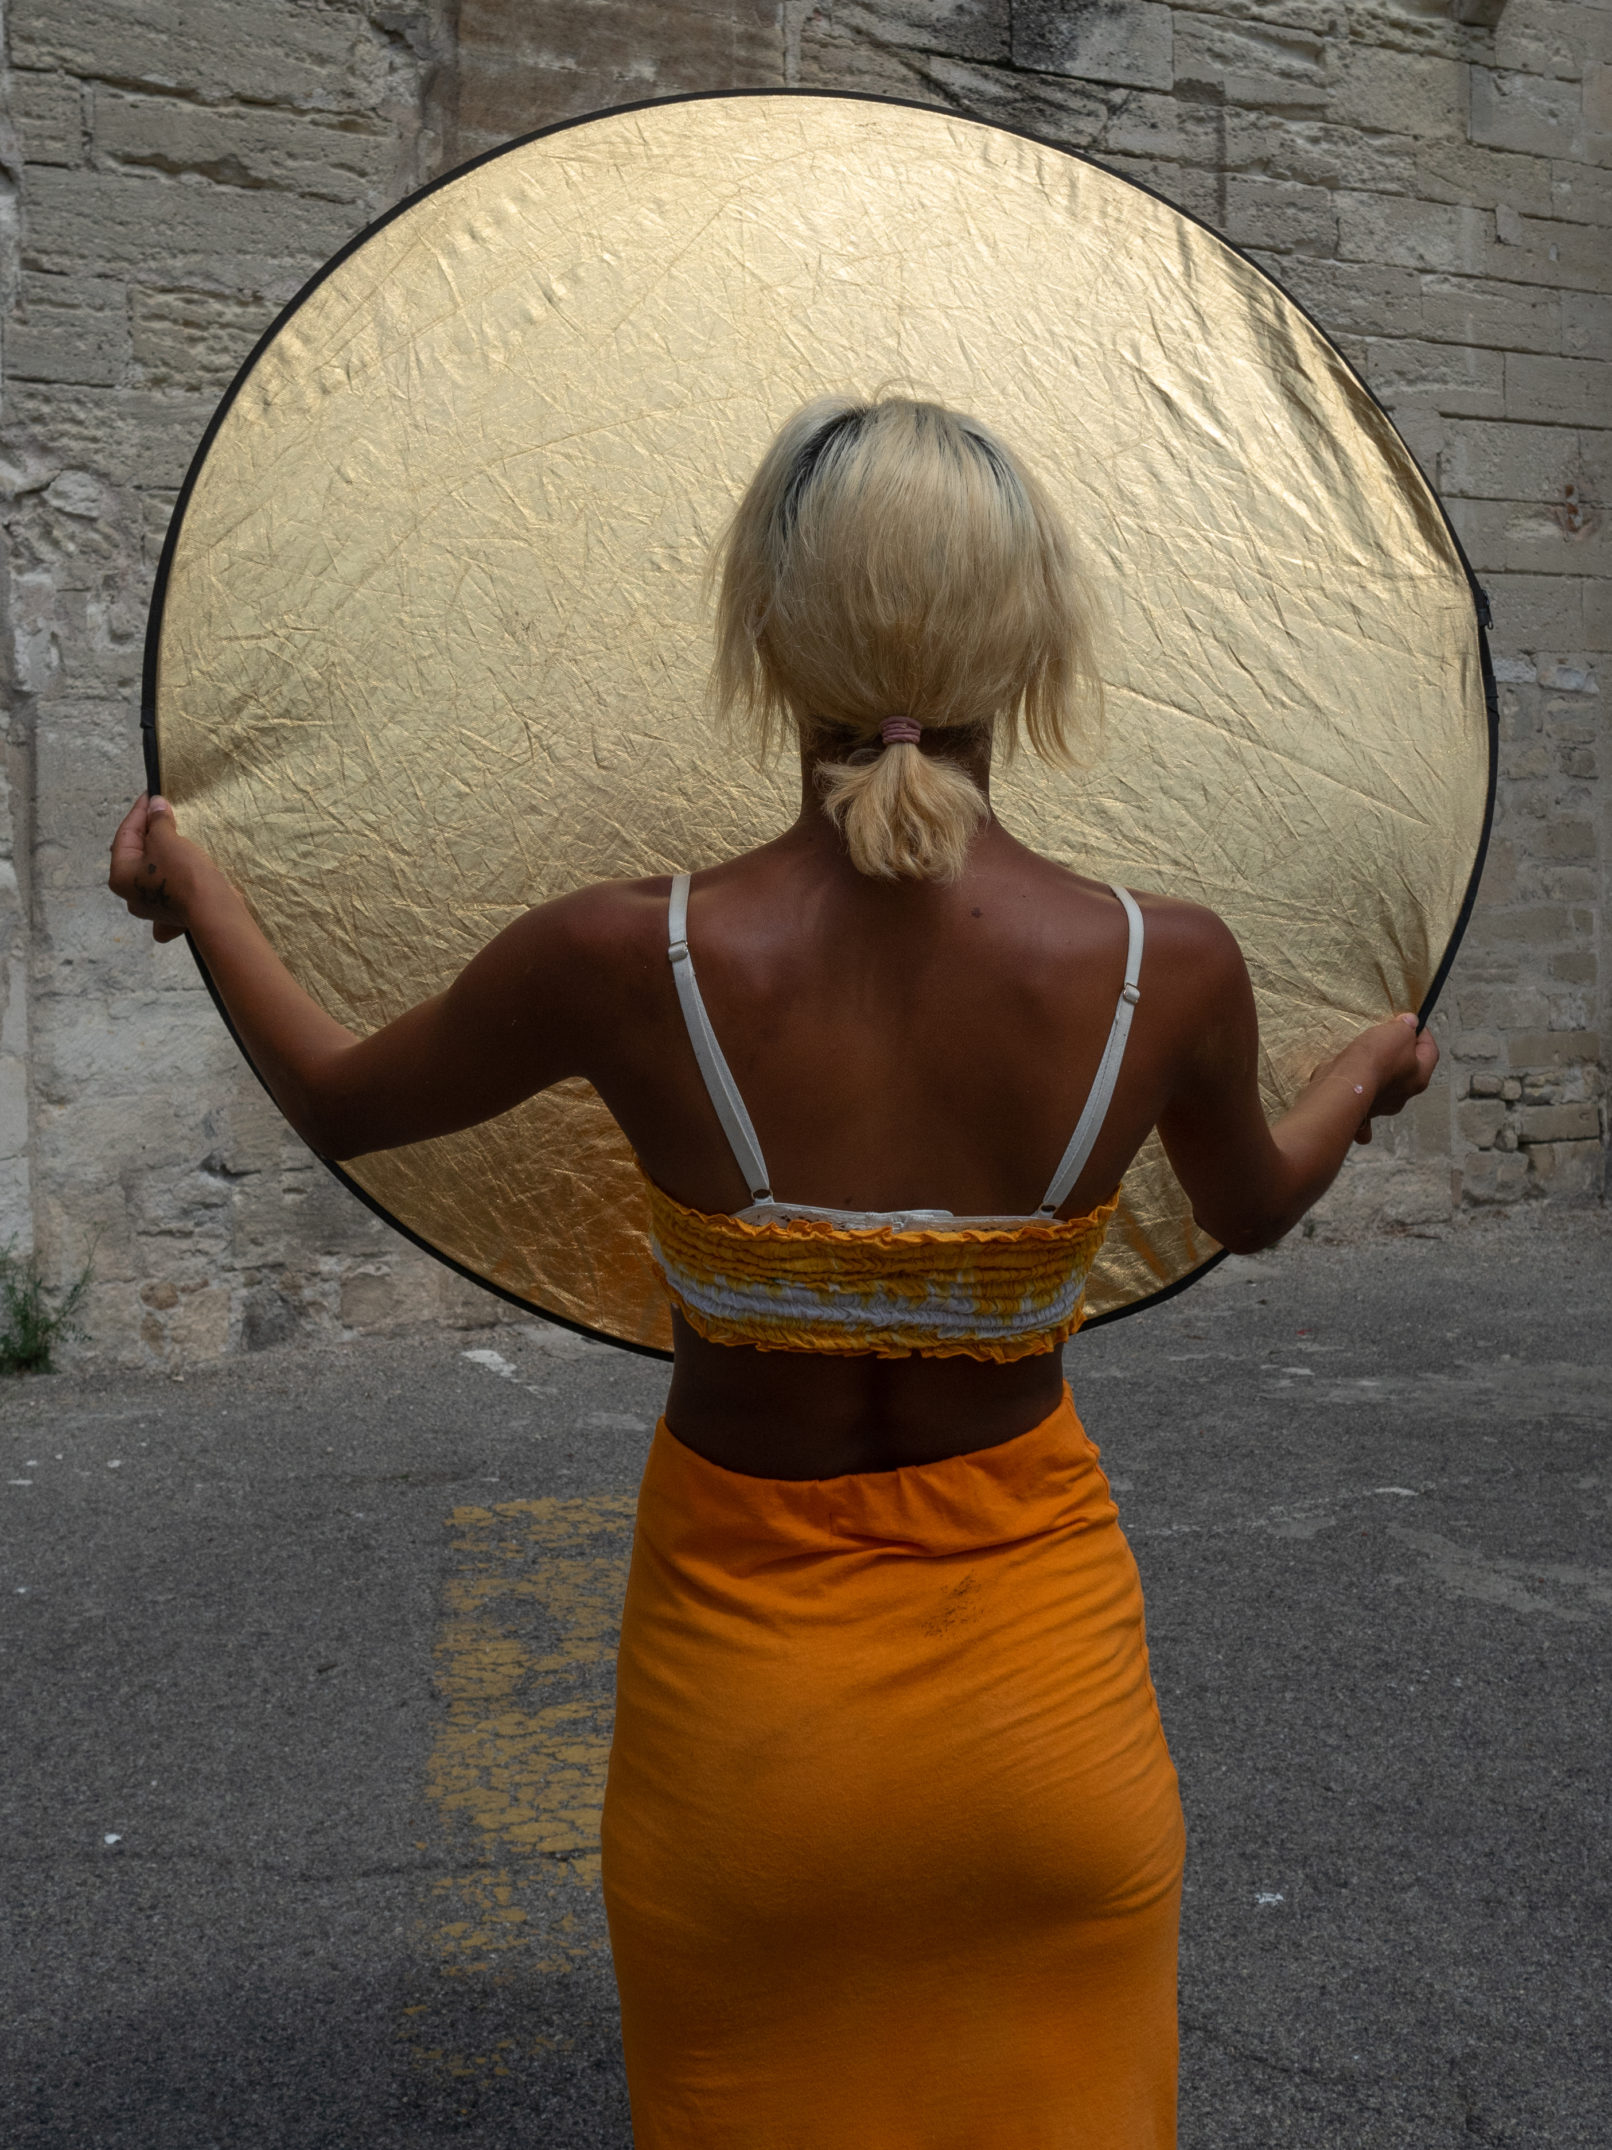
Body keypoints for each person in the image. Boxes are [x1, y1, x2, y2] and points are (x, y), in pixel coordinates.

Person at [110, 394, 1436, 2147]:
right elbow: (1253, 1205)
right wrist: (1365, 1069)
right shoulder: (1164, 965)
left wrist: (198, 889)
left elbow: (347, 1100)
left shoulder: (629, 953)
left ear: (768, 634)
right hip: (1044, 1734)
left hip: (750, 1740)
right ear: (1032, 639)